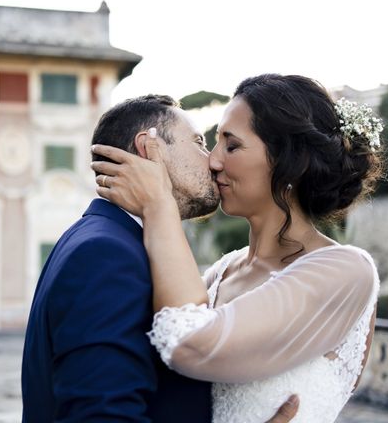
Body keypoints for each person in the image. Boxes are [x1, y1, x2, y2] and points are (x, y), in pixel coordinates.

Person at [91, 74, 385, 423]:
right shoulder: (222, 271)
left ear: (290, 160)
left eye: (231, 146)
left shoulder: (345, 271)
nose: (213, 161)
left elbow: (187, 341)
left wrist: (159, 206)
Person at [21, 94, 299, 422]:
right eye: (198, 143)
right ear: (147, 148)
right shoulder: (106, 254)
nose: (212, 161)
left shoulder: (114, 241)